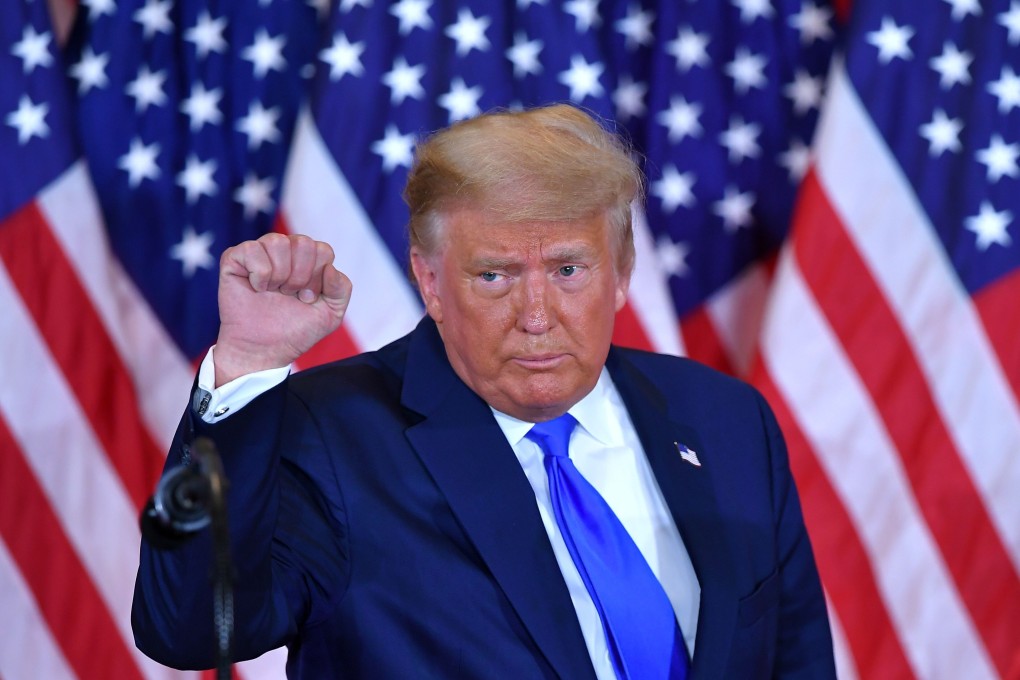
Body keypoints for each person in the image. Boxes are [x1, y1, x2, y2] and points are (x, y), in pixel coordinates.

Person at [132, 104, 836, 679]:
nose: (537, 316)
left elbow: (796, 661)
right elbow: (190, 630)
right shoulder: (333, 435)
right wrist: (249, 362)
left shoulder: (723, 419)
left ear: (622, 272)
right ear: (431, 281)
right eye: (494, 276)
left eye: (568, 270)